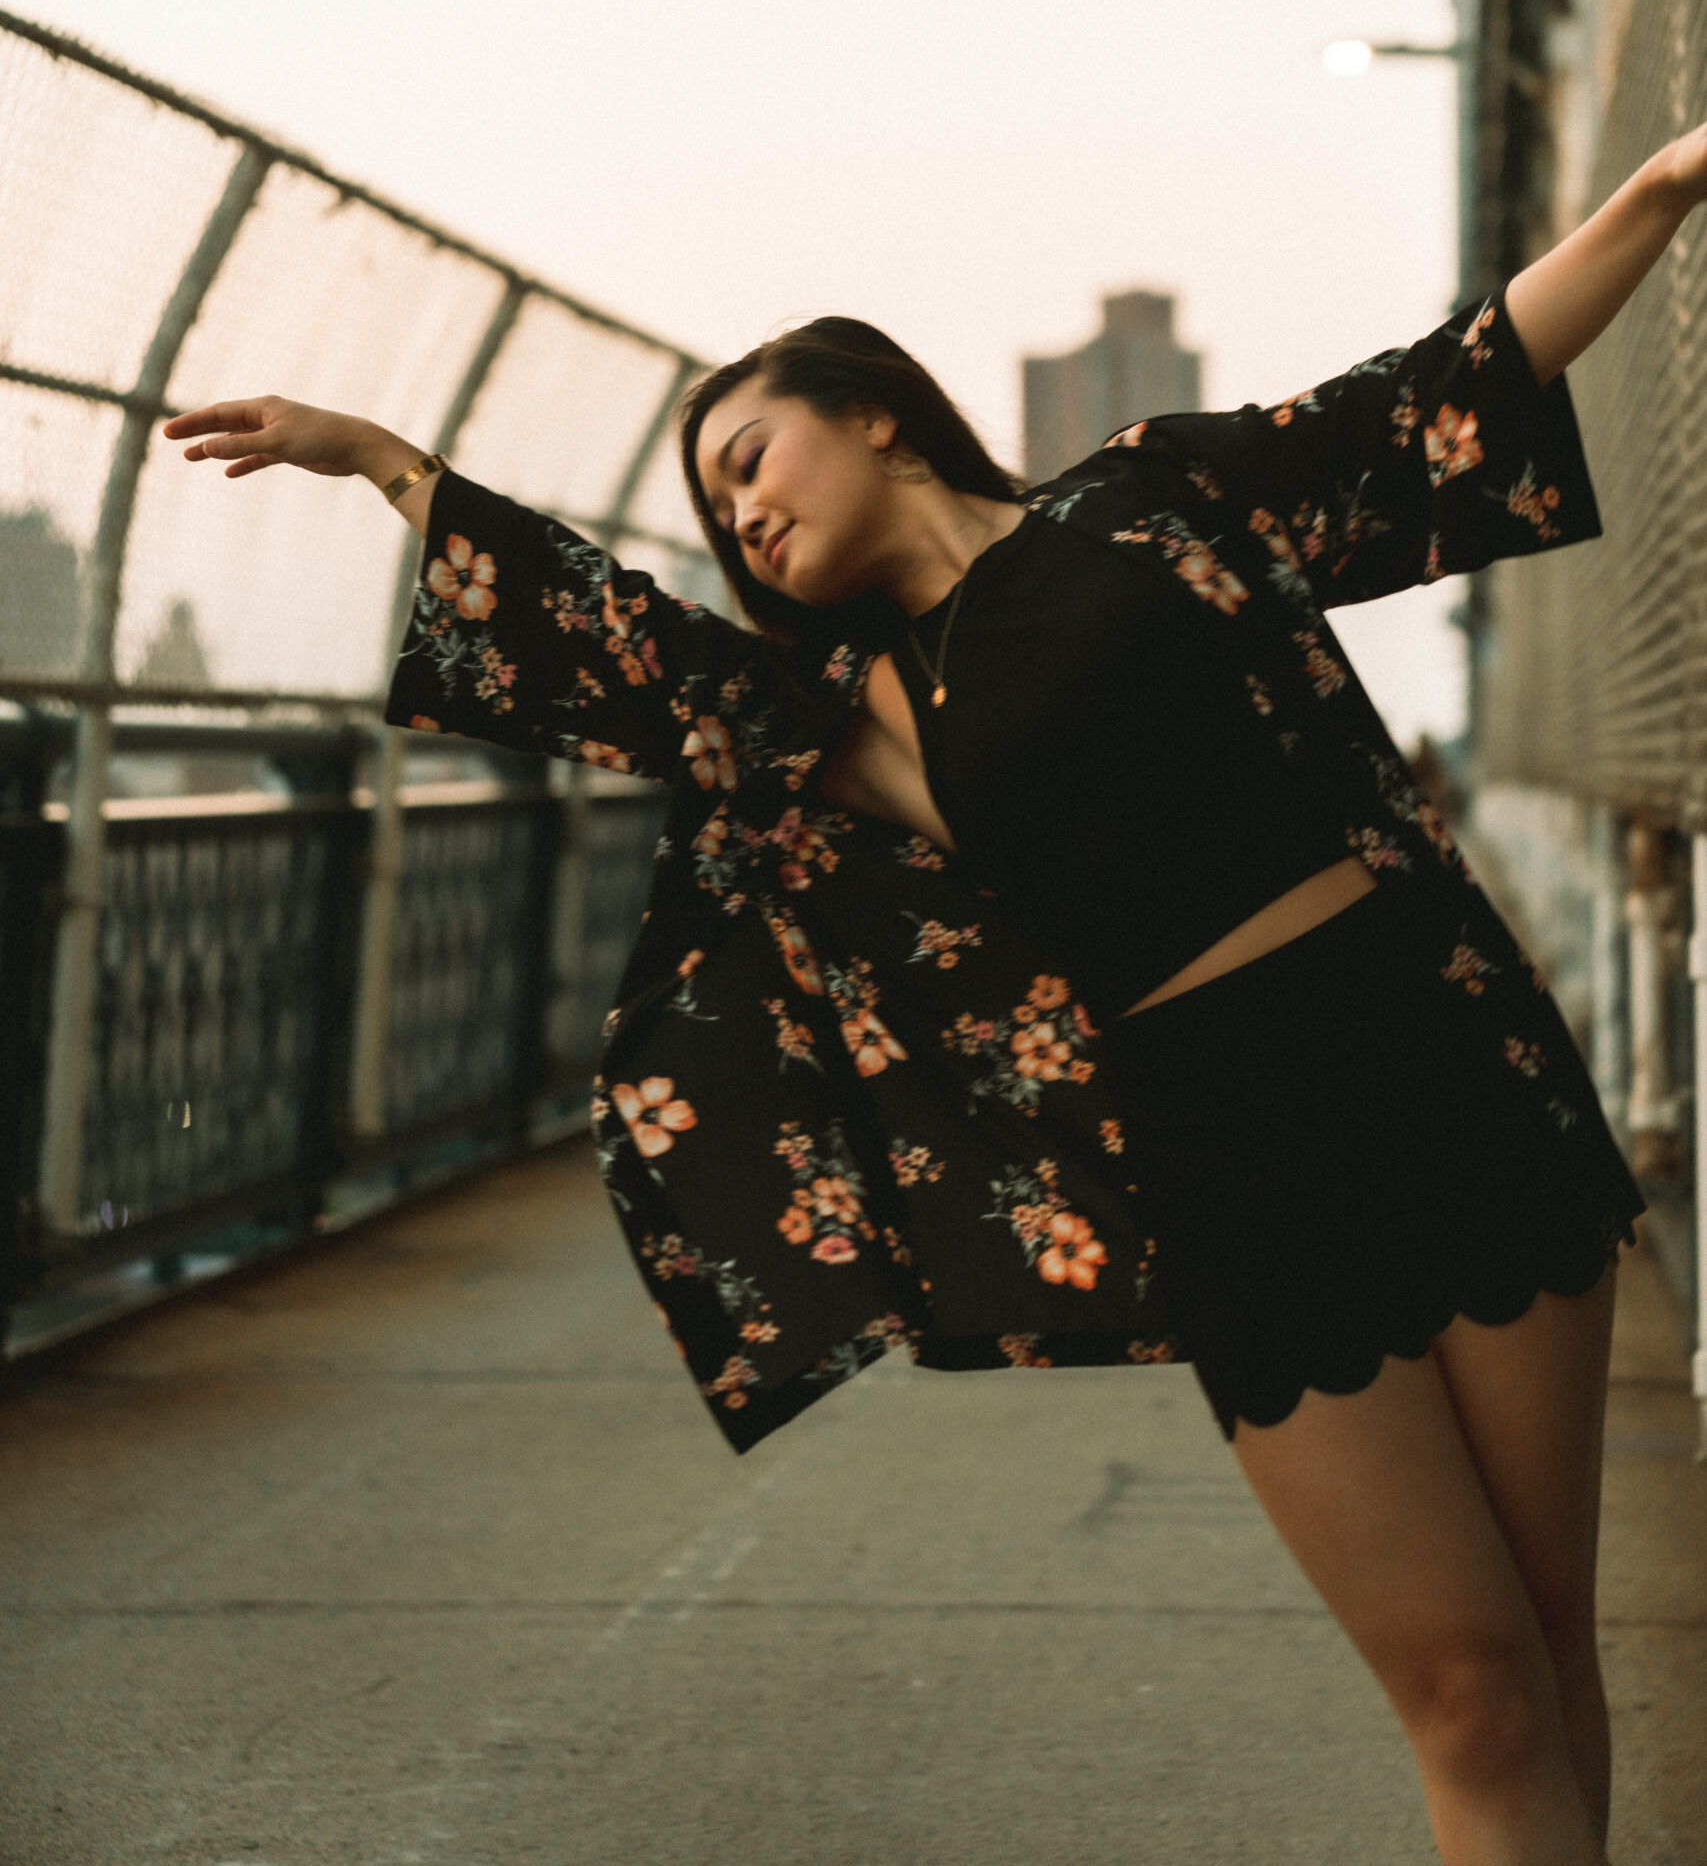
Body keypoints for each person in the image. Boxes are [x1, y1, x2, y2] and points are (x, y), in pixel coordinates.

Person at [164, 124, 1707, 1866]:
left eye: (751, 456)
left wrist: (1658, 193)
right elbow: (635, 657)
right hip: (1228, 1144)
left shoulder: (1151, 498)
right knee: (1468, 1686)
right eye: (721, 510)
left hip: (1439, 1055)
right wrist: (387, 464)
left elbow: (1432, 397)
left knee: (1554, 1646)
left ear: (871, 406)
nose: (743, 513)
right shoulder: (866, 715)